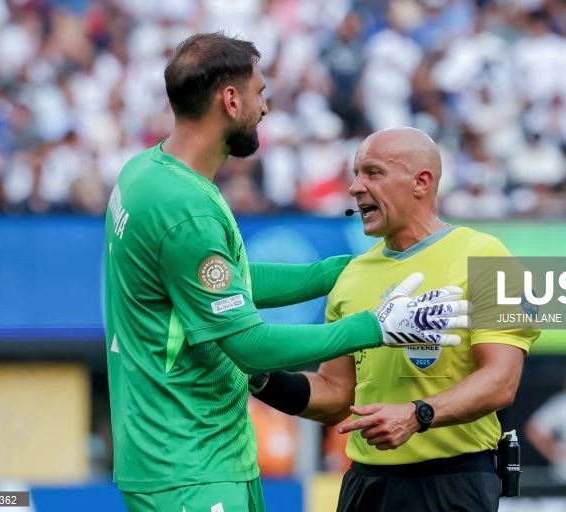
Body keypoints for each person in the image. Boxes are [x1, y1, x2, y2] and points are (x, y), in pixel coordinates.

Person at [103, 34, 470, 512]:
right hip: (188, 460)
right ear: (230, 100)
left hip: (193, 455)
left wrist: (330, 273)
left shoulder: (147, 174)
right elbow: (249, 345)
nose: (266, 106)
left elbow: (223, 282)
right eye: (259, 92)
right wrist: (374, 327)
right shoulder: (185, 210)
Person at [250, 127, 540, 512]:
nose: (355, 186)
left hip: (451, 481)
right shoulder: (352, 275)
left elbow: (501, 381)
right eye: (355, 173)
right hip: (365, 483)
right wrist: (260, 379)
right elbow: (336, 395)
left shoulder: (486, 256)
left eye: (373, 173)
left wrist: (419, 415)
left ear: (421, 182)